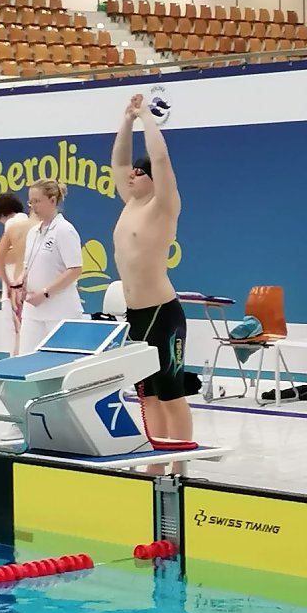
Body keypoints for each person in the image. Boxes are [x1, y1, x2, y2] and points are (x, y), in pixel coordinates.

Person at [112, 93, 193, 443]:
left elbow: (160, 158)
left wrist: (146, 116)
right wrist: (126, 121)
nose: (132, 174)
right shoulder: (130, 202)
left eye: (139, 172)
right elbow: (118, 162)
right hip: (135, 314)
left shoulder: (163, 205)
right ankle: (157, 461)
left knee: (172, 394)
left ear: (154, 179)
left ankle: (181, 463)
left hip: (162, 314)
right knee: (149, 395)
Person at [16, 179, 83, 356]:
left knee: (61, 361)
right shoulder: (33, 232)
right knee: (25, 359)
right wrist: (21, 280)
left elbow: (75, 269)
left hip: (60, 310)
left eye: (37, 201)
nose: (32, 206)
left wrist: (46, 292)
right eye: (30, 202)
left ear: (52, 200)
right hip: (33, 309)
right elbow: (28, 265)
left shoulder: (64, 230)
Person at [0, 192, 38, 356]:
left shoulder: (12, 224)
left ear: (0, 214)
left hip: (15, 288)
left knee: (16, 337)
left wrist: (8, 286)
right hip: (30, 287)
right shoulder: (31, 222)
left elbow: (0, 261)